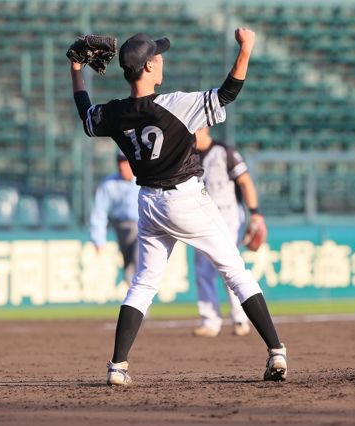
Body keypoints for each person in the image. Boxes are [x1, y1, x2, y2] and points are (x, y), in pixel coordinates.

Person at [70, 28, 287, 386]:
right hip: (185, 199)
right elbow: (228, 93)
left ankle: (117, 366)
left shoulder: (116, 112)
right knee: (236, 271)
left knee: (143, 283)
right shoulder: (174, 104)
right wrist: (246, 49)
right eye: (157, 56)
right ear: (149, 67)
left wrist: (76, 69)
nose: (161, 60)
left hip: (149, 203)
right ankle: (276, 351)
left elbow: (85, 114)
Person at [192, 126, 265, 338]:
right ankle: (210, 321)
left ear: (205, 128)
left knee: (229, 266)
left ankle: (240, 318)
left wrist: (255, 213)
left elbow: (245, 181)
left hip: (227, 216)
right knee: (202, 269)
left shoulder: (224, 152)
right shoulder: (188, 154)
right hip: (202, 218)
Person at [90, 151, 139, 285]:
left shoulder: (145, 179)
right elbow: (99, 212)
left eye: (126, 162)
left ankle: (139, 296)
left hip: (143, 225)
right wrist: (98, 239)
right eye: (120, 162)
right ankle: (136, 297)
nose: (122, 166)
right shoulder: (109, 183)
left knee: (139, 262)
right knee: (129, 268)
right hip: (122, 227)